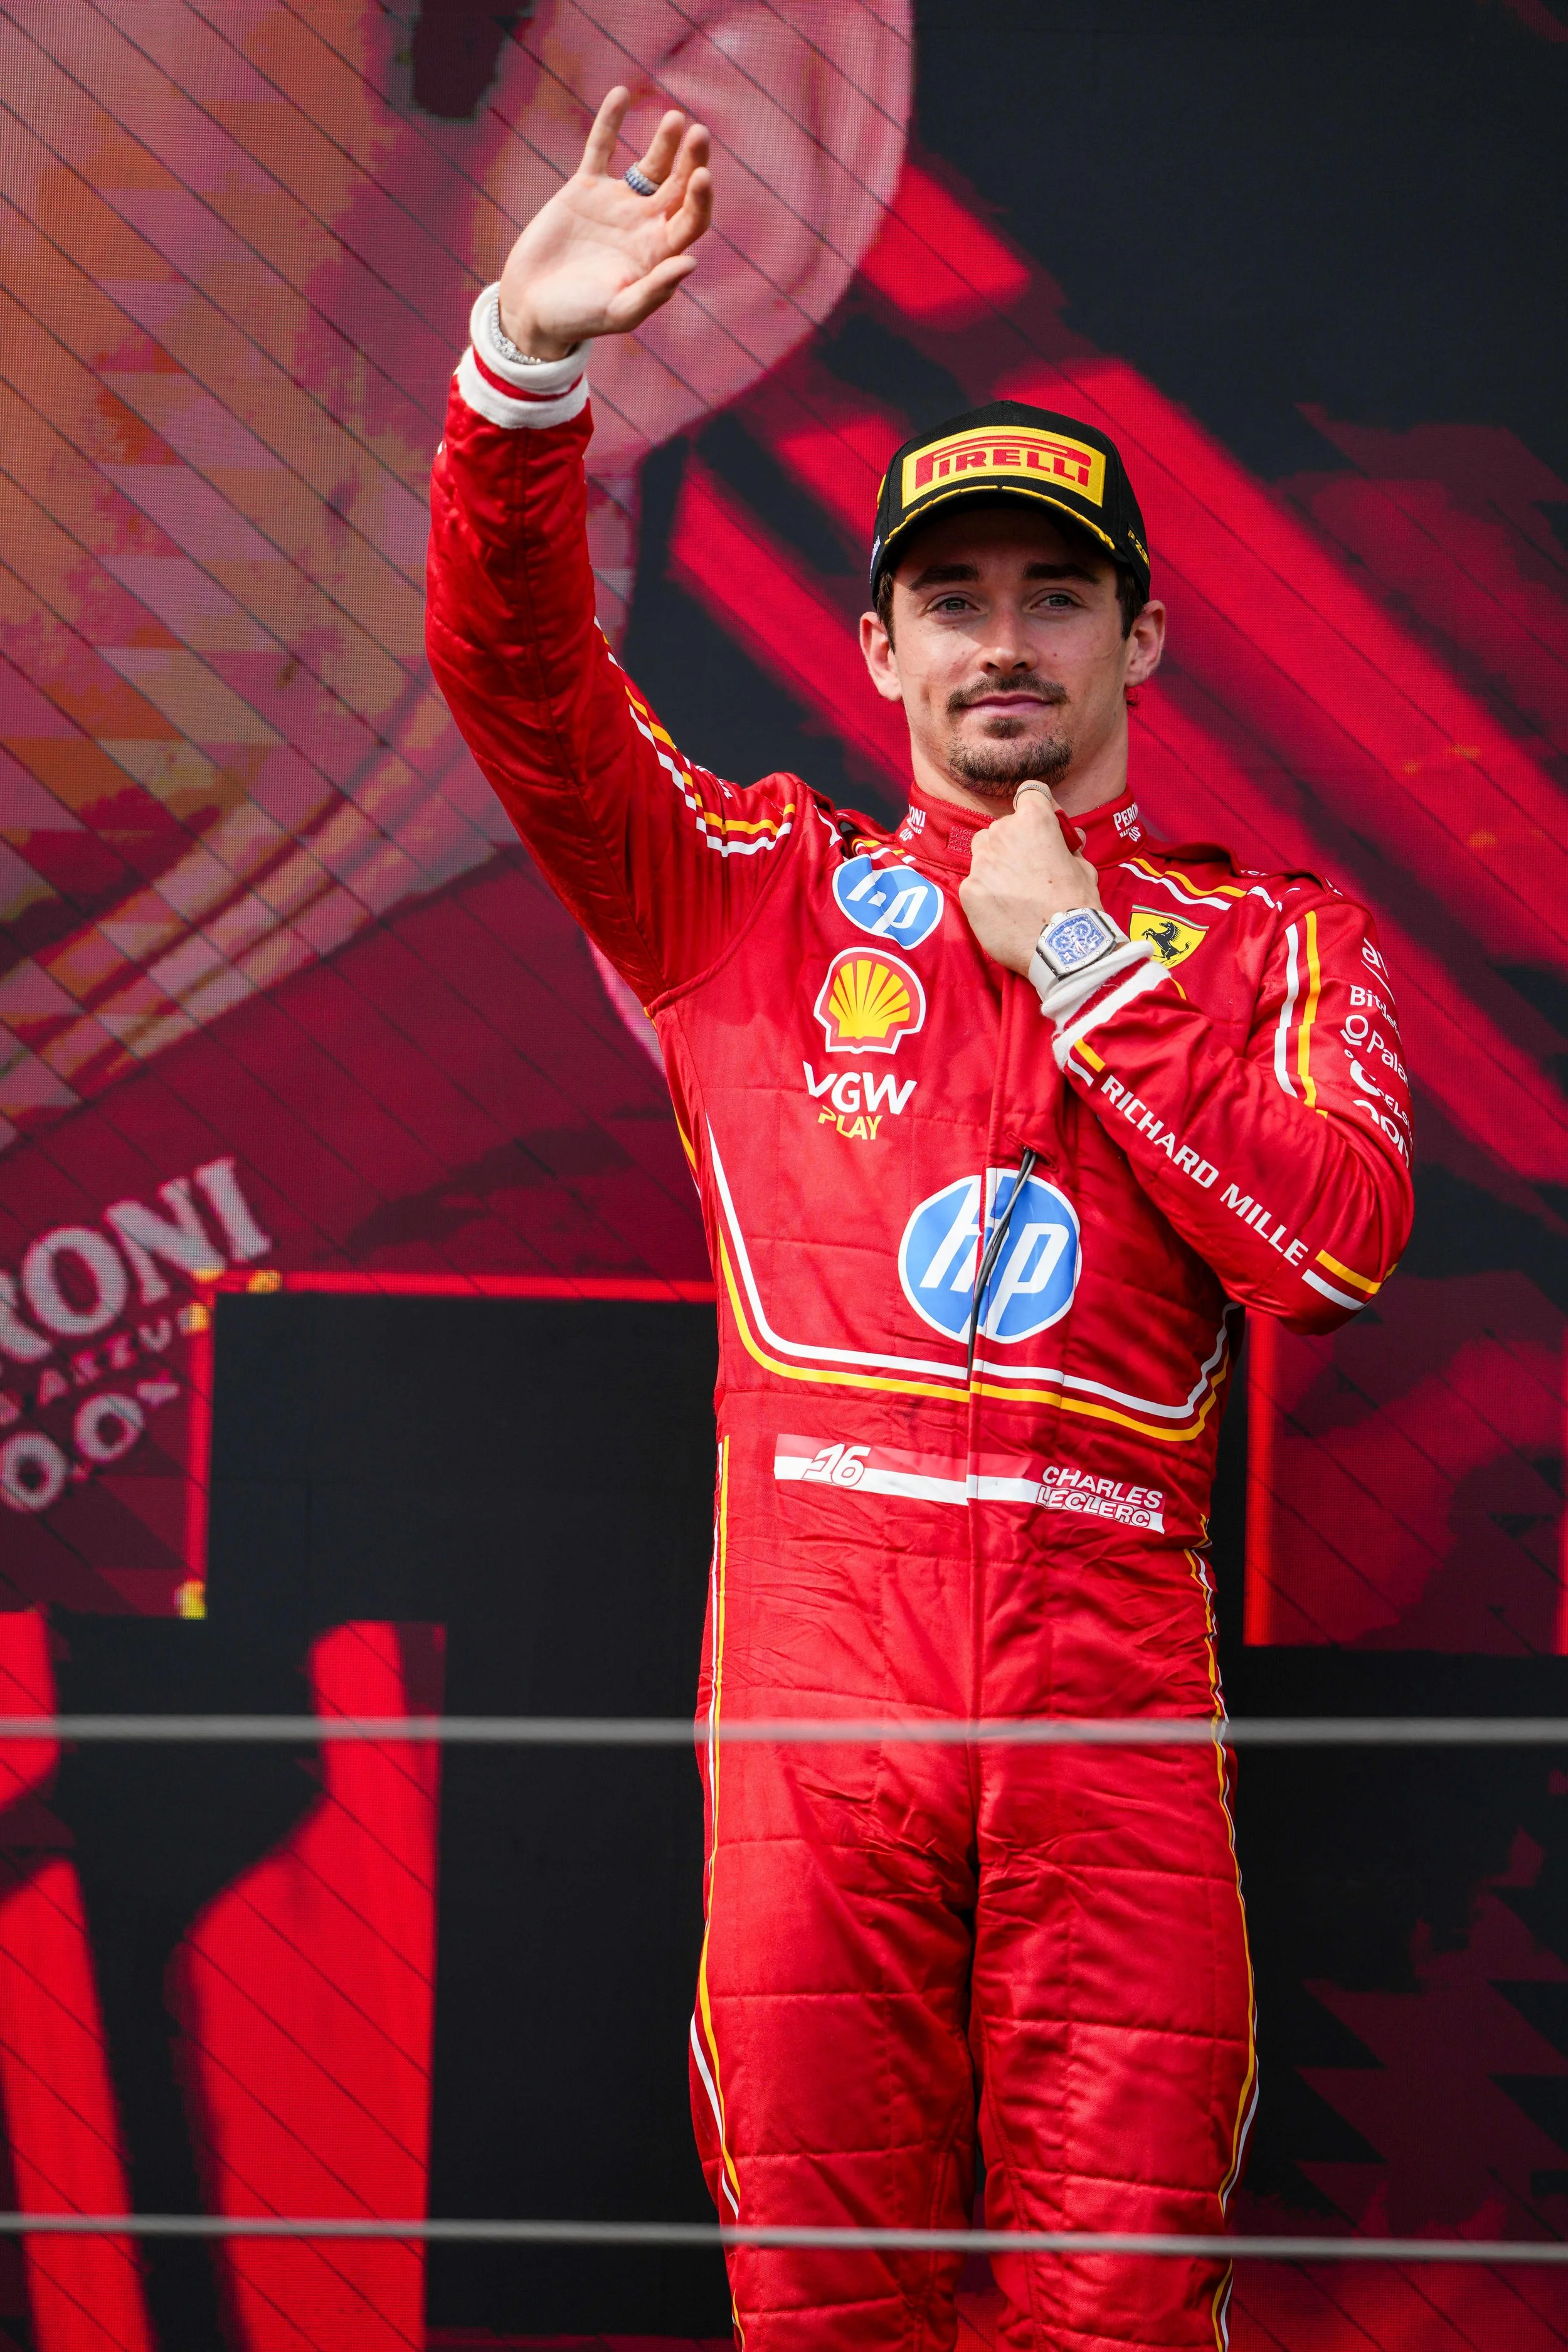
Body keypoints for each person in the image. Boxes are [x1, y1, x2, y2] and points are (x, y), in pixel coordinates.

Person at [425, 88, 1414, 2352]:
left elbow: (1332, 1254)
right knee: (827, 2312)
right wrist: (525, 372)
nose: (1002, 643)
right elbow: (515, 684)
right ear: (872, 648)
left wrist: (1078, 953)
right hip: (816, 1723)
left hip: (1117, 1736)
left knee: (1118, 2316)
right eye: (948, 599)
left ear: (1139, 646)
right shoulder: (747, 897)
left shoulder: (1267, 942)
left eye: (1054, 599)